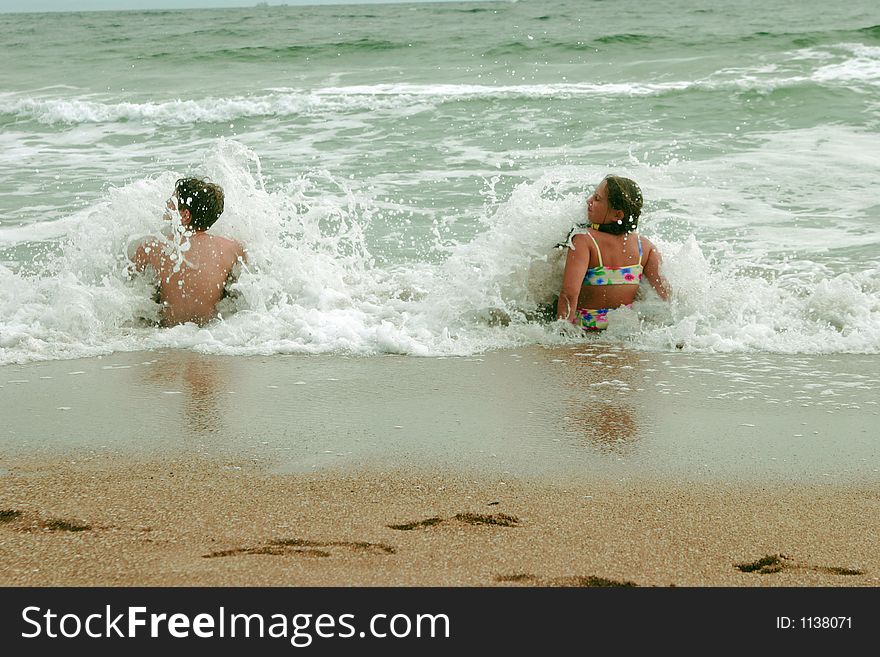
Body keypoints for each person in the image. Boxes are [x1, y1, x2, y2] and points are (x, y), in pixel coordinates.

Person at [556, 175, 669, 330]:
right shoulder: (646, 247)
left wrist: (561, 332)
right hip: (623, 332)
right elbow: (666, 296)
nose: (588, 201)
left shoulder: (584, 240)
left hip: (585, 331)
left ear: (617, 215)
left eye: (597, 199)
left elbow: (569, 293)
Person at [130, 177, 246, 327]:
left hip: (164, 336)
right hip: (213, 336)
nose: (167, 204)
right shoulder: (232, 249)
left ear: (185, 215)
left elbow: (127, 290)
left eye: (172, 200)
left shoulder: (153, 246)